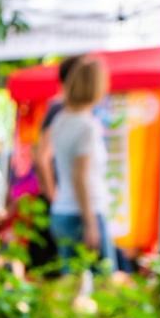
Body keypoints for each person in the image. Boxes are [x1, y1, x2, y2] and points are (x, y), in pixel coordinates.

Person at [46, 55, 115, 270]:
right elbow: (80, 177)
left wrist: (54, 196)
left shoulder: (60, 120)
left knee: (73, 285)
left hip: (62, 211)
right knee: (104, 286)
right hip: (84, 212)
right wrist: (90, 223)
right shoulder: (88, 126)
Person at [33, 55, 81, 202]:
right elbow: (42, 157)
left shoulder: (64, 108)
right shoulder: (61, 108)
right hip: (66, 199)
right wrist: (55, 198)